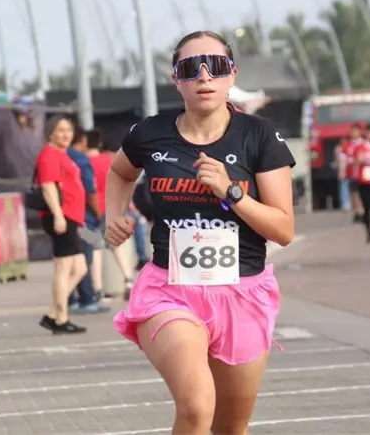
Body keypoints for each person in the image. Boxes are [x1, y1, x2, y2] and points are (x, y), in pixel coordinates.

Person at [105, 30, 295, 435]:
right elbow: (120, 171)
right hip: (170, 289)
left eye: (217, 66)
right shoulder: (150, 133)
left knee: (231, 426)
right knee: (195, 406)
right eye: (191, 68)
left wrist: (232, 192)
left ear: (232, 76)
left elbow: (283, 229)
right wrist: (113, 215)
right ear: (177, 78)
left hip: (242, 291)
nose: (204, 76)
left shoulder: (259, 135)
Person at [36, 115, 88, 335]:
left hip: (71, 216)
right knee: (63, 268)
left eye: (69, 130)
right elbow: (48, 186)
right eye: (60, 130)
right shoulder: (49, 155)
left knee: (80, 267)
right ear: (50, 133)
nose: (66, 134)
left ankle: (53, 313)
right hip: (61, 216)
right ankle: (61, 318)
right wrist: (58, 215)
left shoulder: (60, 153)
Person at [67, 127, 110, 315]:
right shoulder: (81, 159)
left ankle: (70, 299)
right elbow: (90, 191)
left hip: (64, 216)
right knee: (86, 257)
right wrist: (98, 212)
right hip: (84, 218)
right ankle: (86, 298)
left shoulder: (62, 156)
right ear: (82, 139)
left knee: (67, 259)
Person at [85, 129, 114, 300]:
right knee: (114, 245)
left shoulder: (83, 161)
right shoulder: (107, 161)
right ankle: (128, 278)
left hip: (91, 209)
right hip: (108, 206)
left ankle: (98, 288)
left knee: (96, 248)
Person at [339, 124, 364, 222]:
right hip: (351, 173)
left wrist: (355, 161)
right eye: (352, 131)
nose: (353, 133)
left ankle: (361, 211)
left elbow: (362, 158)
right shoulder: (348, 145)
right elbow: (343, 159)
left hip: (361, 174)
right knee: (353, 193)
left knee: (359, 193)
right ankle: (356, 212)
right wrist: (342, 172)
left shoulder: (362, 144)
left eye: (356, 131)